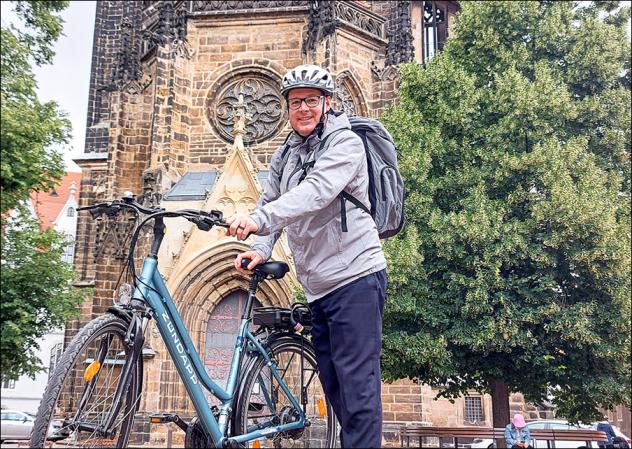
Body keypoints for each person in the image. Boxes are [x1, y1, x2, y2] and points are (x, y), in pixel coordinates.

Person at [225, 64, 387, 448]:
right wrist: (259, 248)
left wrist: (257, 220)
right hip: (318, 287)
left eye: (311, 100)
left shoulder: (346, 144)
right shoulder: (286, 153)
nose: (303, 108)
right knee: (335, 387)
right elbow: (272, 200)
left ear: (327, 103)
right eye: (296, 102)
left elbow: (315, 192)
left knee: (358, 389)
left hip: (356, 277)